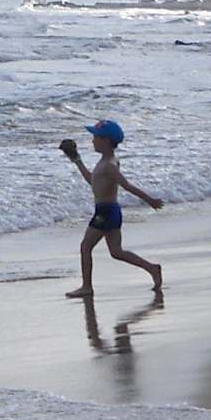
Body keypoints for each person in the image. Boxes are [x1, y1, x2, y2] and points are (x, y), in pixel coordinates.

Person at [61, 119, 163, 298]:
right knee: (116, 252)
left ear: (106, 140)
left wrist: (150, 200)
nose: (93, 140)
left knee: (85, 247)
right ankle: (152, 268)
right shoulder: (106, 162)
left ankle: (87, 286)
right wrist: (77, 160)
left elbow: (126, 185)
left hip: (105, 212)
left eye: (96, 137)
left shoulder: (108, 165)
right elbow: (92, 181)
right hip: (111, 211)